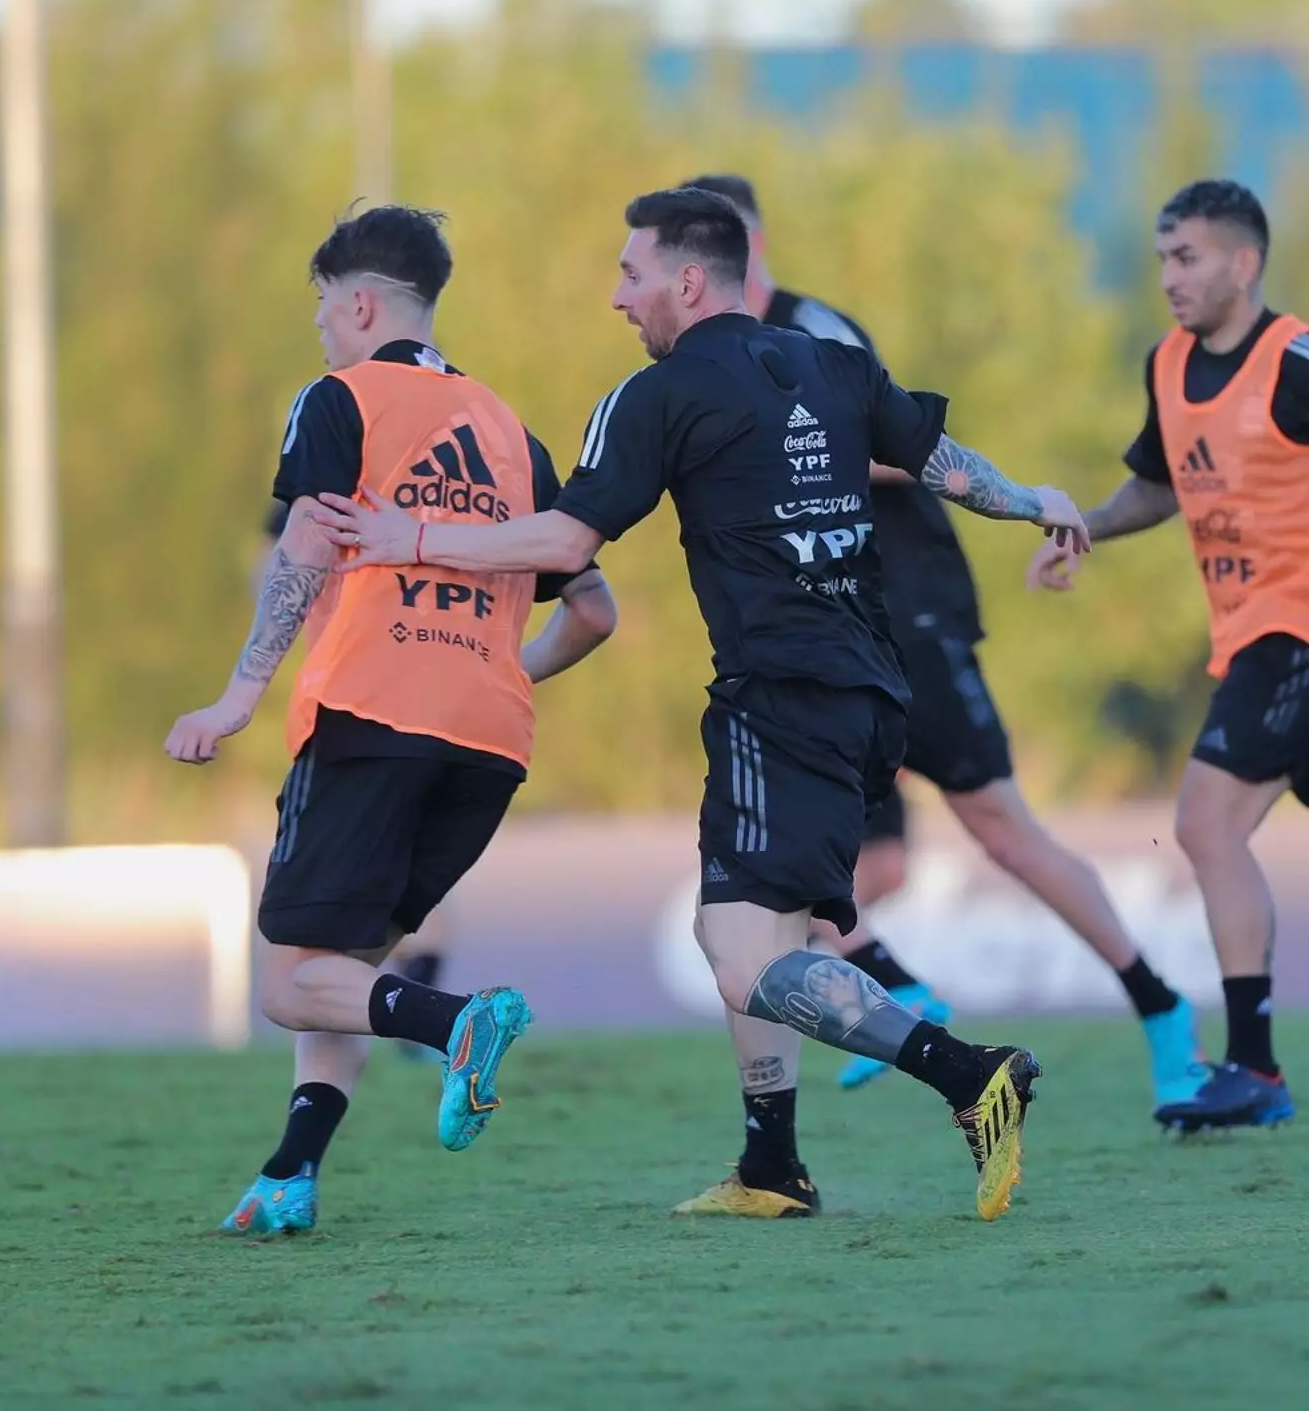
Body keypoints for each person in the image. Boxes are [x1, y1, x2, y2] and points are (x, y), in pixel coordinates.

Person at [314, 186, 1094, 1222]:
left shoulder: (657, 395)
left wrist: (406, 538)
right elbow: (948, 468)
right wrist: (1040, 502)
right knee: (747, 928)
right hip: (867, 691)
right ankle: (773, 1166)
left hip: (783, 697)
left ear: (687, 280)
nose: (616, 298)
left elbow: (562, 543)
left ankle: (966, 1073)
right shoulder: (836, 365)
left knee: (741, 951)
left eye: (630, 275)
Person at [659, 174, 1202, 1218]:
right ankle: (793, 1136)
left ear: (728, 254)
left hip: (902, 611)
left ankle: (1161, 1012)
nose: (633, 292)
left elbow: (900, 445)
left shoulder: (805, 332)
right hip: (825, 639)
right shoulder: (702, 361)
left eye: (641, 269)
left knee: (999, 828)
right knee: (862, 870)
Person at [165, 204, 618, 1235]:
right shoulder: (515, 436)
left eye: (325, 308)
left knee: (288, 982)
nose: (322, 328)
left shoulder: (340, 398)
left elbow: (306, 548)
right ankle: (290, 1176)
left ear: (360, 301)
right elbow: (596, 610)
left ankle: (458, 1021)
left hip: (371, 713)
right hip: (490, 740)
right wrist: (502, 667)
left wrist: (240, 694)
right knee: (344, 967)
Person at [1029, 178, 1308, 1133]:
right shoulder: (1169, 365)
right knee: (1209, 829)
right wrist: (1088, 530)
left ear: (1245, 262)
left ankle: (1258, 1071)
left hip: (1294, 633)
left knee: (1205, 822)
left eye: (1185, 258)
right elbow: (1158, 487)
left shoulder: (1295, 361)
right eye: (1161, 260)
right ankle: (1259, 1071)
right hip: (1254, 640)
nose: (1168, 279)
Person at [260, 499, 454, 1062]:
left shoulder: (327, 471)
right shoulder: (444, 483)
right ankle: (429, 1009)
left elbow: (275, 565)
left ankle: (448, 1020)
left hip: (357, 716)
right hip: (442, 711)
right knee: (413, 882)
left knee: (304, 971)